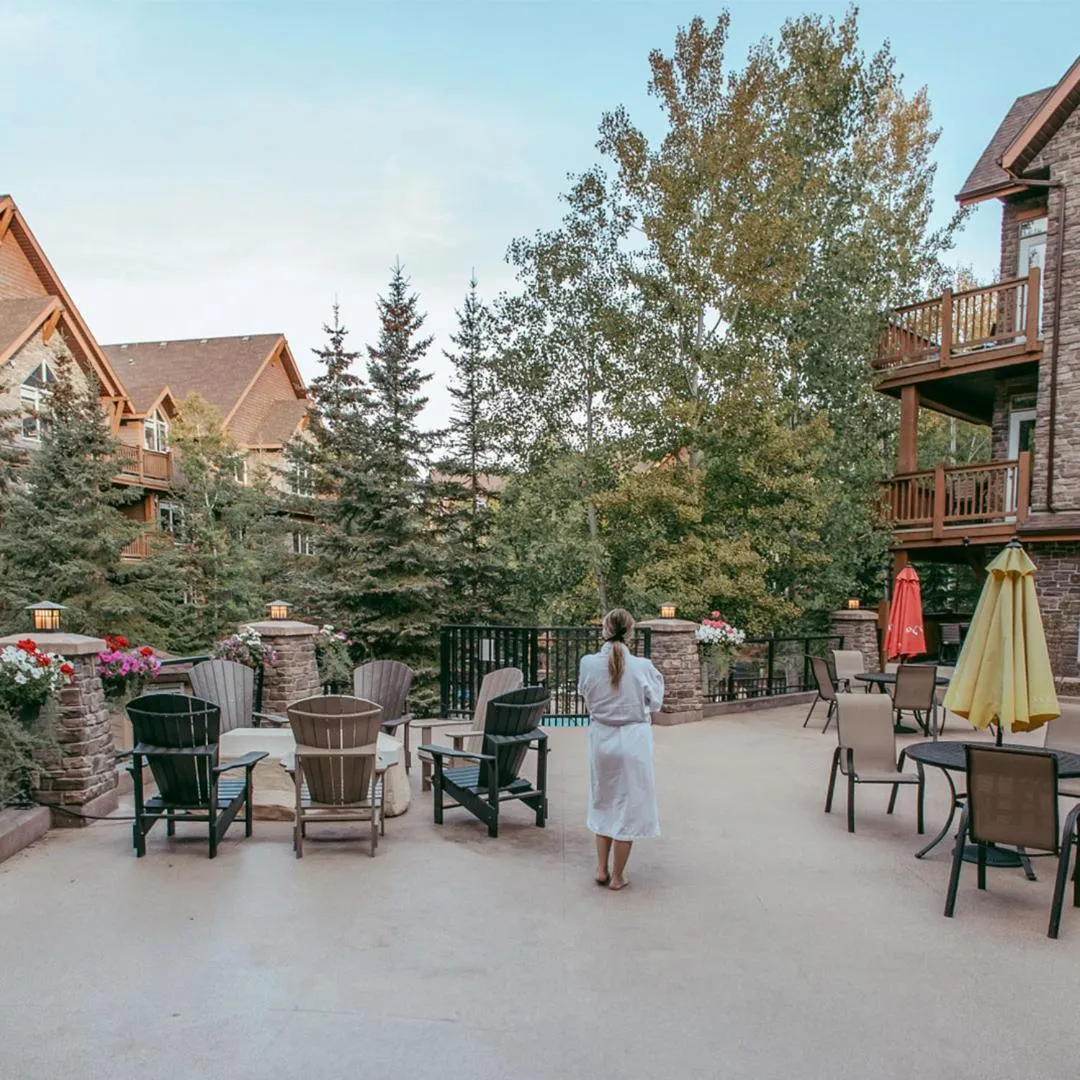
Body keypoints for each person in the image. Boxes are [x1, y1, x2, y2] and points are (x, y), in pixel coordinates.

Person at [577, 607, 664, 891]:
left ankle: (601, 869)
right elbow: (655, 703)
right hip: (633, 740)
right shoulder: (642, 666)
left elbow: (585, 694)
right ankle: (618, 876)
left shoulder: (588, 663)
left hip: (602, 739)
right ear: (630, 633)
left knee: (603, 799)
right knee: (630, 805)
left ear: (604, 630)